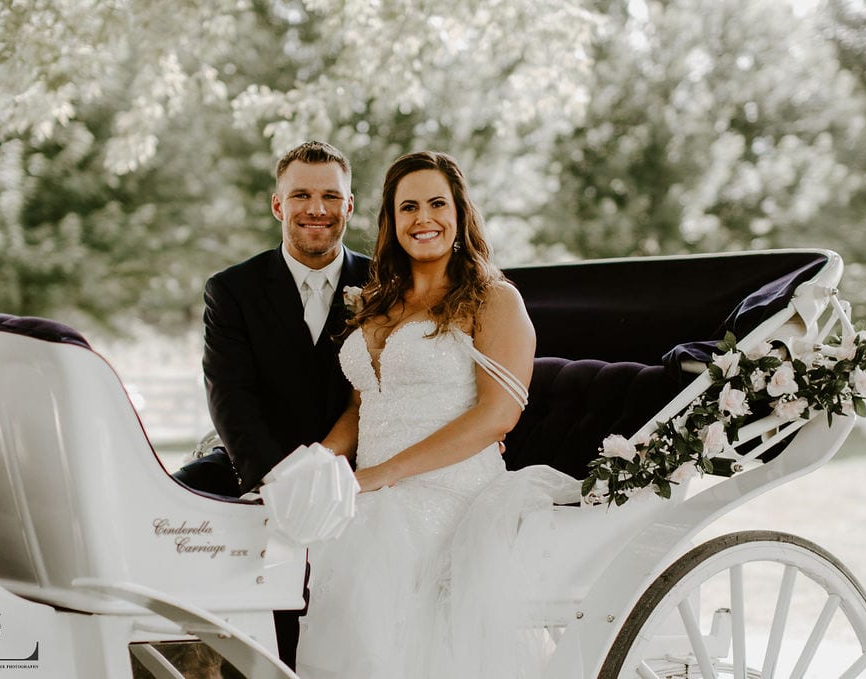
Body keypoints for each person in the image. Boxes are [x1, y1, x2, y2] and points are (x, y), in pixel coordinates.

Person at [295, 151, 581, 679]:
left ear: (460, 213)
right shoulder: (378, 302)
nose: (423, 218)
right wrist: (317, 463)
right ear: (392, 221)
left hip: (453, 490)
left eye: (436, 204)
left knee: (373, 533)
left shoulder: (494, 300)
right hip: (374, 486)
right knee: (312, 525)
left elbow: (498, 416)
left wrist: (379, 477)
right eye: (408, 207)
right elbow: (364, 403)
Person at [171, 140, 370, 670]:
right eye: (301, 195)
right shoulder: (231, 290)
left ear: (350, 205)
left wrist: (325, 473)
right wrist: (280, 483)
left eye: (331, 196)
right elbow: (230, 398)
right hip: (254, 463)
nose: (317, 209)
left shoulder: (382, 285)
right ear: (278, 205)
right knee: (178, 509)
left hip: (352, 465)